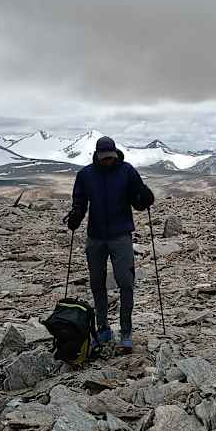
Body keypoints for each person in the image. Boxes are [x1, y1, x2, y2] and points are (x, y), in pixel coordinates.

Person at [66, 136, 154, 353]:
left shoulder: (127, 171)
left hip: (121, 235)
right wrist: (76, 215)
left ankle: (126, 332)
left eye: (111, 157)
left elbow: (138, 201)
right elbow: (80, 201)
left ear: (115, 154)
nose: (108, 161)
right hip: (95, 237)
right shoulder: (85, 175)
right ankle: (103, 329)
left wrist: (144, 197)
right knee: (97, 283)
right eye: (104, 158)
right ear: (97, 155)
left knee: (126, 282)